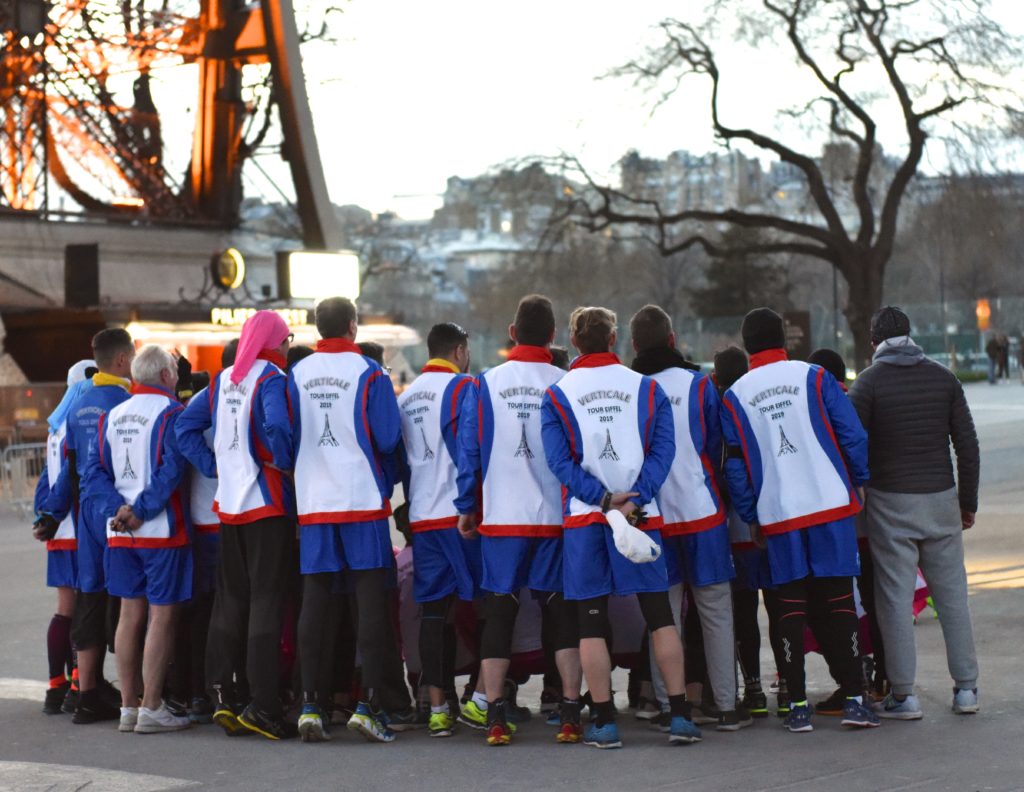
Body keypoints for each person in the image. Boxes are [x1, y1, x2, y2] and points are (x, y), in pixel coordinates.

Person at [541, 306, 700, 749]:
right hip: (640, 516)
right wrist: (635, 497)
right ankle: (680, 715)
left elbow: (559, 463)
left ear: (574, 342)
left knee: (590, 622)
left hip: (586, 518)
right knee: (660, 616)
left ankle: (606, 721)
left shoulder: (558, 393)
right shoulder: (646, 389)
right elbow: (663, 453)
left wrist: (603, 498)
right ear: (613, 341)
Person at [720, 308, 879, 733]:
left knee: (787, 608)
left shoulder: (735, 395)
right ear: (784, 341)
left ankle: (796, 707)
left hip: (779, 513)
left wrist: (752, 515)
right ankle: (856, 699)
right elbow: (852, 434)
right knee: (840, 601)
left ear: (748, 345)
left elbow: (734, 467)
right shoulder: (814, 377)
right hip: (829, 505)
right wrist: (858, 480)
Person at [455, 294, 583, 746]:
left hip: (503, 517)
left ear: (512, 333)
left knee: (500, 616)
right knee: (561, 614)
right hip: (555, 517)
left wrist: (467, 505)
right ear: (552, 336)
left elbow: (469, 450)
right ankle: (569, 711)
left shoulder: (485, 382)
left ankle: (493, 715)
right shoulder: (566, 382)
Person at [288, 297, 412, 744]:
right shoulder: (370, 373)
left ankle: (310, 704)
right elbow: (386, 435)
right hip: (360, 499)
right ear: (353, 328)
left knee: (315, 604)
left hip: (314, 502)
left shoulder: (295, 375)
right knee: (370, 608)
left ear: (319, 329)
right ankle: (368, 705)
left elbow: (285, 437)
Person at [849, 306, 981, 719]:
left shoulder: (868, 384)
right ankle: (966, 690)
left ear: (874, 342)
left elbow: (850, 443)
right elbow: (968, 446)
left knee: (894, 598)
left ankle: (904, 695)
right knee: (953, 598)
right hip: (941, 496)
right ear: (911, 334)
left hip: (890, 502)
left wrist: (860, 491)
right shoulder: (944, 378)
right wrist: (967, 502)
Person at [176, 310, 296, 740]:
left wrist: (216, 467)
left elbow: (184, 428)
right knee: (266, 601)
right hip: (266, 504)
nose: (287, 347)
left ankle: (223, 696)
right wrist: (284, 463)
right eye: (285, 339)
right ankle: (264, 705)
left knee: (230, 602)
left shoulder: (223, 379)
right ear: (272, 343)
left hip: (228, 507)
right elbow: (279, 427)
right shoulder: (271, 379)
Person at [628, 305, 749, 732]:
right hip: (702, 513)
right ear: (674, 339)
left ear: (634, 345)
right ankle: (727, 706)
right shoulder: (699, 384)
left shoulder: (634, 388)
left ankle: (667, 703)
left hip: (653, 517)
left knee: (664, 614)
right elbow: (717, 445)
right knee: (716, 610)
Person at [83, 345, 193, 734]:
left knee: (130, 613)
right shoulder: (172, 414)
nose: (177, 377)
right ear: (165, 376)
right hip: (160, 530)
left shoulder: (112, 416)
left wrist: (119, 509)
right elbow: (171, 471)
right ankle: (151, 706)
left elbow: (93, 472)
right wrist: (141, 510)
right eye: (175, 372)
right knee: (162, 615)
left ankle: (128, 706)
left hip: (120, 532)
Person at [37, 329, 135, 724]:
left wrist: (52, 513)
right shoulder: (125, 401)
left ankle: (87, 693)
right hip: (120, 516)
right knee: (133, 603)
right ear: (123, 360)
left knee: (89, 601)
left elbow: (72, 471)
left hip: (84, 520)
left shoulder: (78, 405)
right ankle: (140, 694)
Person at [397, 322, 484, 738]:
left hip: (422, 517)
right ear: (460, 350)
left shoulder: (407, 395)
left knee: (433, 611)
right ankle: (483, 698)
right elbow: (471, 452)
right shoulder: (463, 388)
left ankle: (436, 708)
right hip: (459, 515)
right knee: (484, 606)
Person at [807, 347, 888, 712]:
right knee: (875, 601)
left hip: (834, 524)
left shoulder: (816, 405)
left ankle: (849, 678)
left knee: (831, 606)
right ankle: (884, 677)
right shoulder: (860, 398)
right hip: (870, 522)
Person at [33, 359, 96, 714]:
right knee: (81, 610)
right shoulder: (79, 422)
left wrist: (41, 514)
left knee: (64, 610)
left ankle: (56, 685)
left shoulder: (56, 425)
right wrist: (53, 513)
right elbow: (68, 477)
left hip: (59, 529)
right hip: (75, 527)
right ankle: (77, 685)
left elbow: (46, 475)